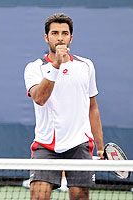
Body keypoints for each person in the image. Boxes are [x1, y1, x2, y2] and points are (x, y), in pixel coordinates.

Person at [24, 13, 104, 200]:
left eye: (65, 33)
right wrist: (57, 65)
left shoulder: (86, 66)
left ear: (71, 37)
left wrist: (100, 148)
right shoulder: (34, 68)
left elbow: (92, 107)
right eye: (55, 33)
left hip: (79, 144)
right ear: (46, 37)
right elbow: (40, 98)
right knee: (38, 197)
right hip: (45, 146)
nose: (60, 37)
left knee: (79, 197)